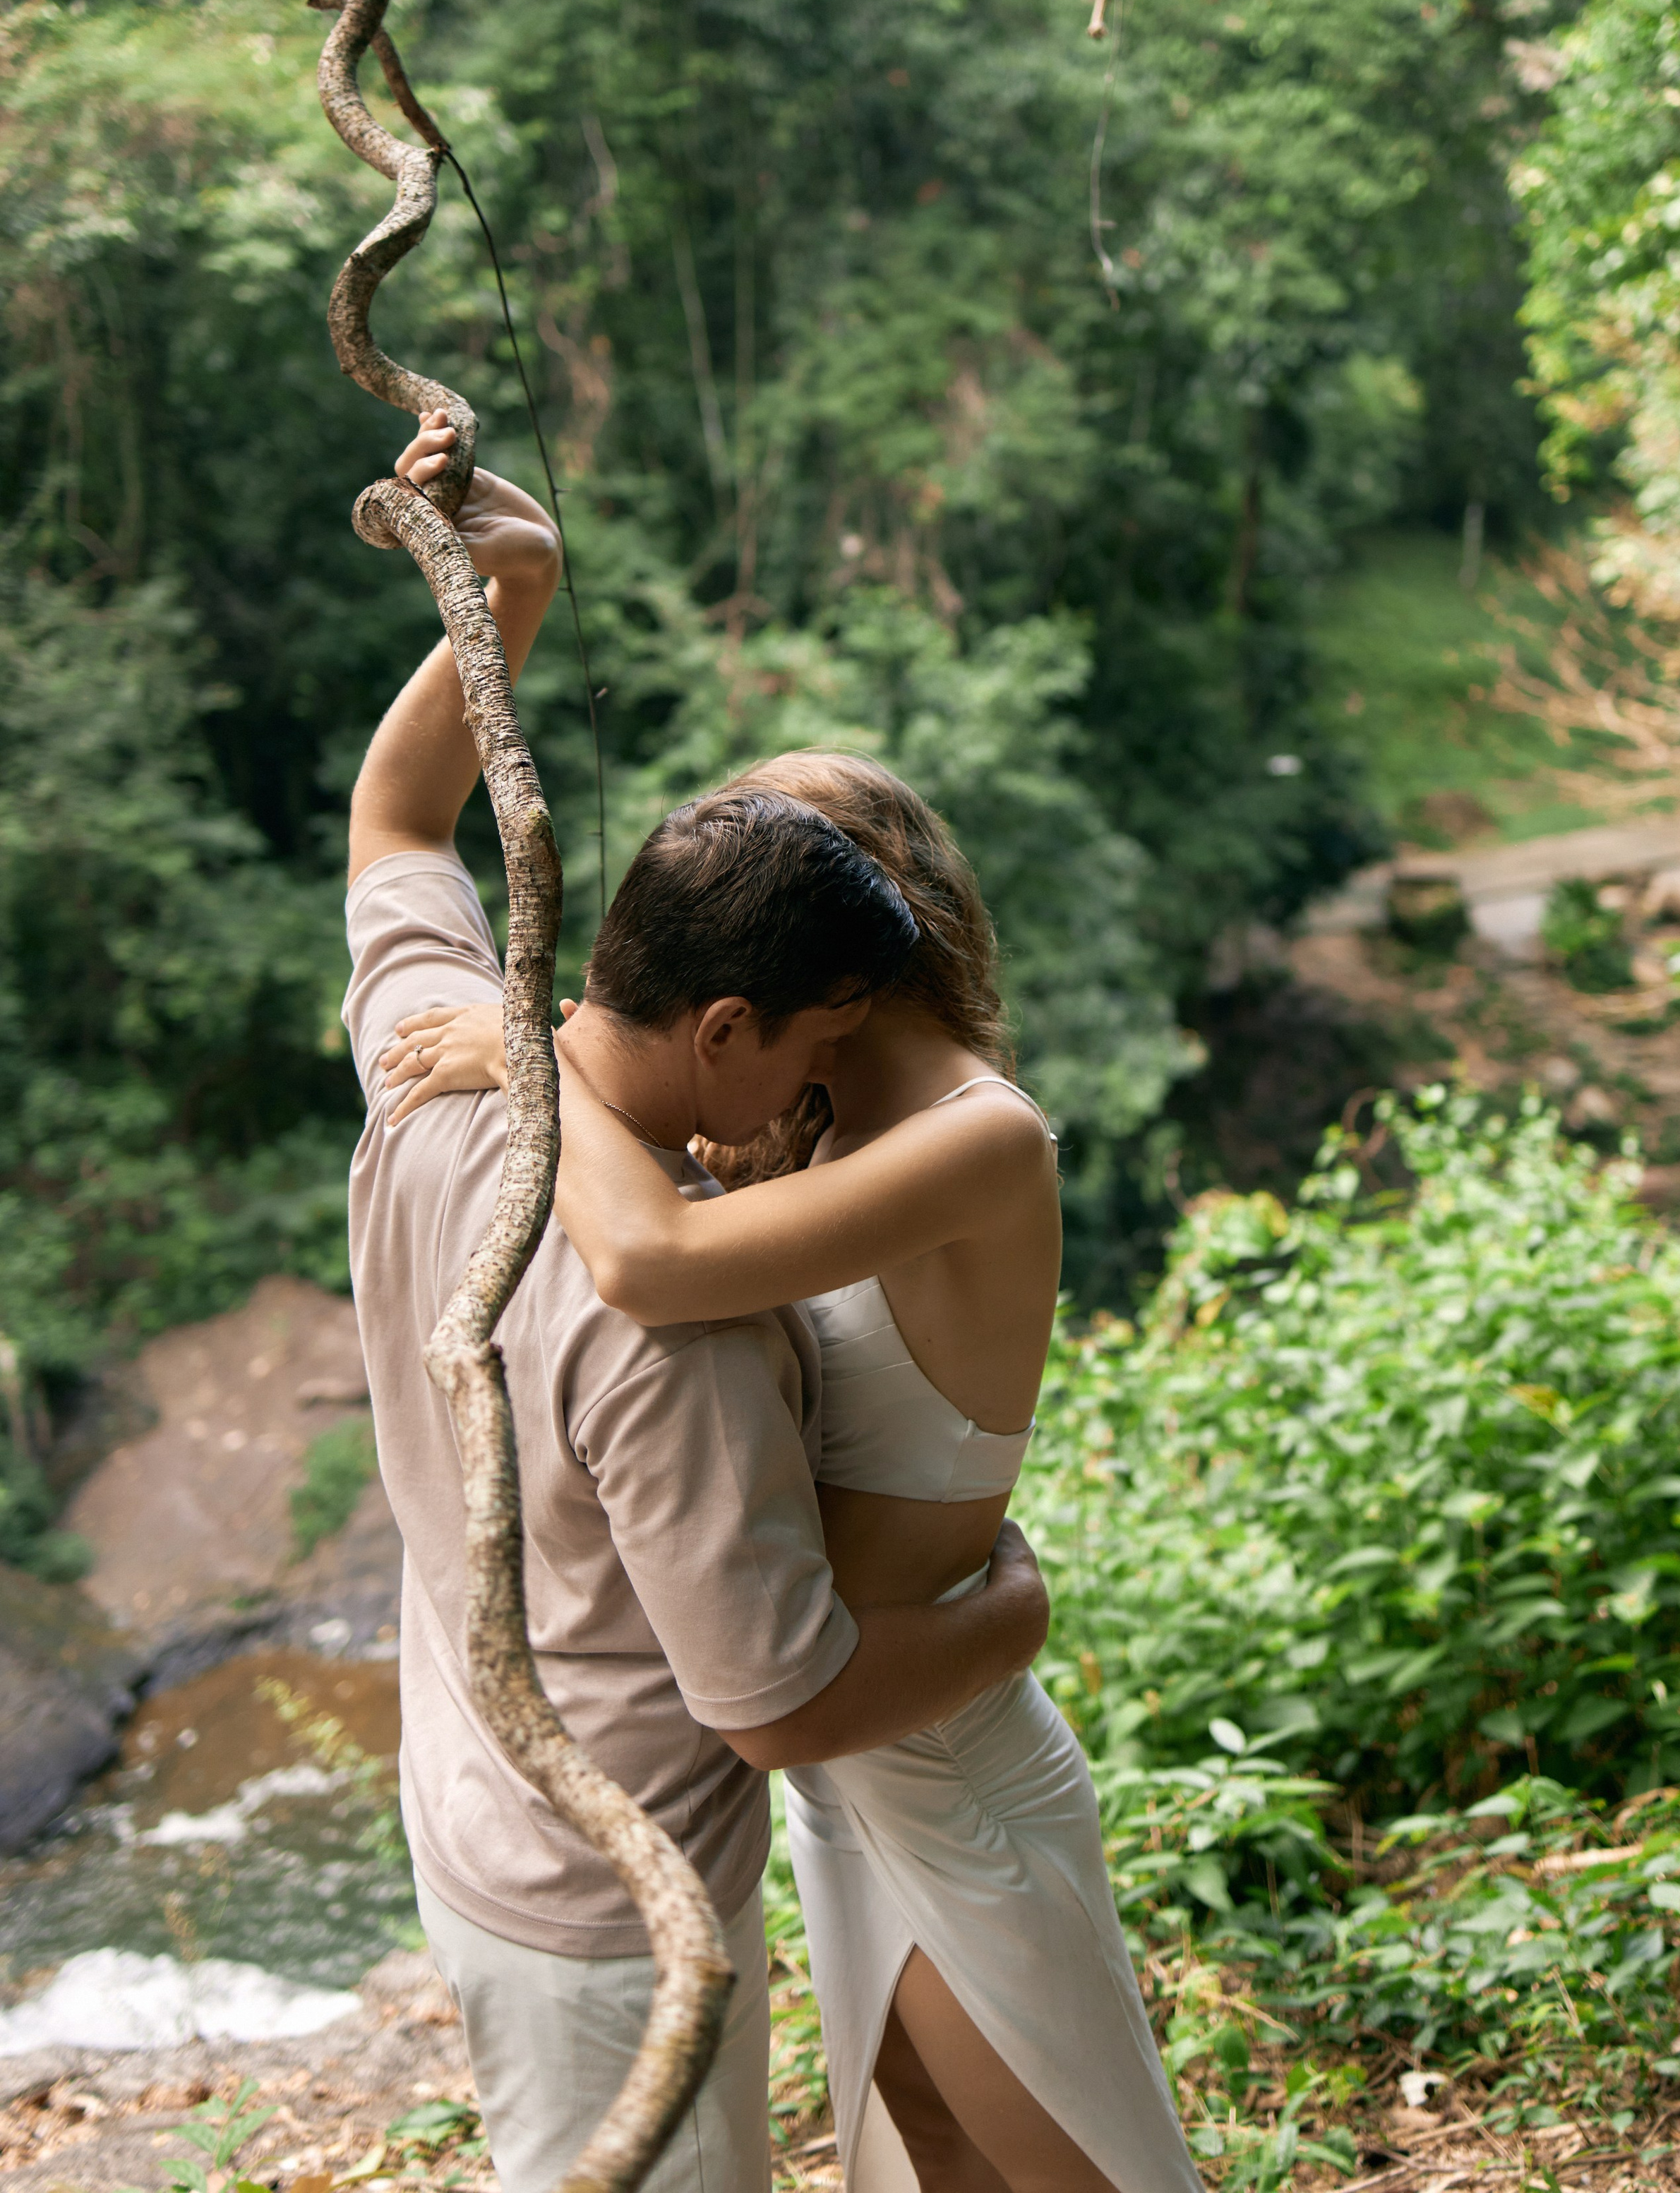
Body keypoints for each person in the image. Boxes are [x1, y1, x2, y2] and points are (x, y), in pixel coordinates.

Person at [344, 413, 1051, 2193]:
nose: (817, 1093)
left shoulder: (428, 1060)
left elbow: (396, 817)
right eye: (817, 1045)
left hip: (465, 1802)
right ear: (726, 1023)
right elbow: (780, 1707)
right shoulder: (688, 1328)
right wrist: (1013, 1617)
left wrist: (509, 589)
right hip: (612, 1902)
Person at [385, 748, 1199, 2193]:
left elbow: (650, 1261)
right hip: (835, 1759)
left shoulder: (978, 1136)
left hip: (936, 1752)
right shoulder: (795, 1117)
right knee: (931, 2152)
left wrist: (531, 1059)